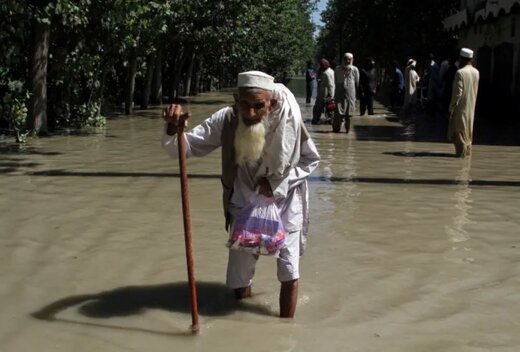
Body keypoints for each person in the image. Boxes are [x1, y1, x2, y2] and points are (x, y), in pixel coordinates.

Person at [162, 70, 321, 318]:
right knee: (239, 276)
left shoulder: (289, 120)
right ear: (236, 101)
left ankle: (286, 330)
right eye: (244, 104)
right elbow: (184, 148)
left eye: (259, 106)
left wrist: (278, 182)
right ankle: (239, 319)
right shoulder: (226, 120)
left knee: (289, 272)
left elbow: (311, 160)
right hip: (243, 204)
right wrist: (173, 130)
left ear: (272, 104)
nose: (250, 113)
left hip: (286, 204)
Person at [448, 48, 479, 158]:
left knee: (459, 134)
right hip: (471, 109)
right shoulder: (476, 72)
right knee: (468, 134)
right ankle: (467, 160)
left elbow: (457, 93)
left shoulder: (460, 73)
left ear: (462, 59)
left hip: (460, 108)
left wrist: (451, 108)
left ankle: (460, 159)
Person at [333, 52, 359, 133]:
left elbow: (357, 83)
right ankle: (336, 131)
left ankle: (348, 132)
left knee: (349, 115)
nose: (347, 61)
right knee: (338, 114)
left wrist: (356, 97)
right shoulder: (337, 69)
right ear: (343, 60)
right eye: (346, 59)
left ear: (352, 60)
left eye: (349, 59)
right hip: (339, 94)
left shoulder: (355, 70)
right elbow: (335, 81)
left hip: (350, 95)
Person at [312, 58, 335, 124]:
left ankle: (315, 120)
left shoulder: (325, 73)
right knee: (329, 109)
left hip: (324, 93)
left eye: (321, 66)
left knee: (317, 107)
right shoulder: (331, 71)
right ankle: (331, 121)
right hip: (329, 93)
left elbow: (330, 85)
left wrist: (330, 96)